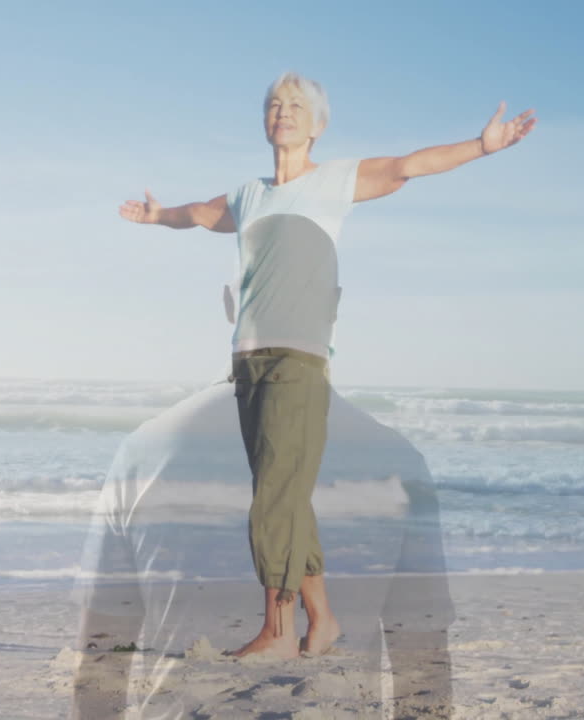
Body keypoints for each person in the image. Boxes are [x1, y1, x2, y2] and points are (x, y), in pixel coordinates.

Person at [117, 70, 535, 661]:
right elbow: (204, 214)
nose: (282, 112)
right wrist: (158, 217)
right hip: (248, 360)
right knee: (282, 492)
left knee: (273, 503)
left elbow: (409, 165)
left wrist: (481, 146)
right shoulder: (249, 194)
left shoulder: (335, 180)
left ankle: (277, 631)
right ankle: (324, 621)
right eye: (273, 104)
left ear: (316, 126)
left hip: (299, 359)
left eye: (294, 105)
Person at [71, 285, 457, 718]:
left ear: (229, 303)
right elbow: (422, 664)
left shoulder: (144, 451)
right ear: (333, 306)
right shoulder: (396, 458)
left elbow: (104, 649)